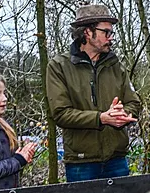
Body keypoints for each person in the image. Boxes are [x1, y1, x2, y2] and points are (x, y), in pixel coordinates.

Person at [46, 4, 141, 182]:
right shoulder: (59, 66)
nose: (111, 38)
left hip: (117, 158)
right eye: (106, 32)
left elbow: (134, 102)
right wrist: (101, 118)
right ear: (88, 33)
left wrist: (123, 115)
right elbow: (60, 113)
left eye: (111, 32)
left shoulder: (116, 65)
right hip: (81, 162)